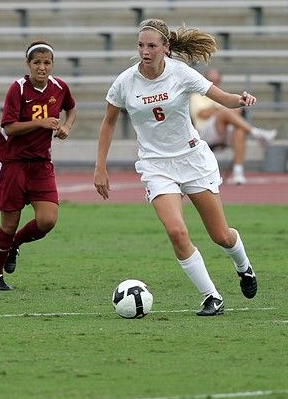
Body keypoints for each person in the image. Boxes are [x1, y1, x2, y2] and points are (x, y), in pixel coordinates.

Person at [94, 19, 259, 316]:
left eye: (152, 46)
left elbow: (222, 98)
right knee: (176, 232)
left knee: (221, 235)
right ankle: (211, 296)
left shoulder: (181, 73)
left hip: (192, 160)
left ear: (166, 48)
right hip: (156, 165)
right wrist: (100, 167)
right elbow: (108, 122)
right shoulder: (125, 82)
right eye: (141, 45)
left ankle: (244, 267)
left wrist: (241, 99)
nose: (145, 51)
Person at [0, 40, 76, 290]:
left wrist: (66, 127)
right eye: (37, 62)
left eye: (46, 62)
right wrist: (41, 123)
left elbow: (71, 108)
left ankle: (14, 245)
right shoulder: (17, 89)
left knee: (47, 220)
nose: (42, 67)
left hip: (40, 164)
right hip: (12, 163)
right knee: (9, 223)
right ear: (28, 65)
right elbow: (9, 127)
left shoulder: (60, 87)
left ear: (52, 65)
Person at [190, 68, 277, 184]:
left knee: (239, 129)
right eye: (211, 80)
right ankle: (256, 133)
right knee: (224, 112)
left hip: (224, 131)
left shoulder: (221, 94)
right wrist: (220, 110)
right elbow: (202, 114)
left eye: (216, 81)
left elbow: (237, 112)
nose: (214, 83)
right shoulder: (197, 95)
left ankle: (238, 172)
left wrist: (219, 111)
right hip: (203, 133)